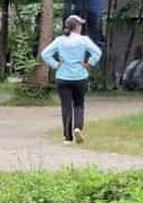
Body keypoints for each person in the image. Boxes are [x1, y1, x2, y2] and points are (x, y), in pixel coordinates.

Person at [41, 14, 102, 144]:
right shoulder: (84, 40)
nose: (81, 27)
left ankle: (67, 137)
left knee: (66, 106)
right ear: (76, 26)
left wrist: (56, 64)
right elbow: (97, 52)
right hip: (80, 77)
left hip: (63, 77)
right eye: (80, 25)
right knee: (79, 105)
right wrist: (89, 63)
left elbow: (45, 54)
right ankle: (78, 128)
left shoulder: (59, 40)